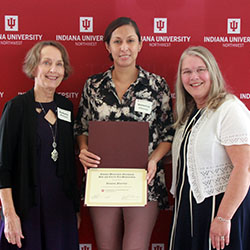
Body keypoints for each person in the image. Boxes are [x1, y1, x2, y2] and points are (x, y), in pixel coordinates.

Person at [74, 17, 174, 250]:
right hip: (102, 180)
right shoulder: (93, 85)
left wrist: (154, 160)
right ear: (108, 46)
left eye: (130, 40)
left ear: (140, 44)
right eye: (117, 41)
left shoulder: (157, 85)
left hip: (144, 181)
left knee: (135, 247)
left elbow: (168, 133)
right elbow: (81, 128)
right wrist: (84, 149)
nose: (124, 47)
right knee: (106, 246)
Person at [168, 46, 250, 250]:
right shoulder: (189, 114)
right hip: (189, 211)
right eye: (186, 72)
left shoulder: (228, 108)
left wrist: (223, 217)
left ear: (212, 72)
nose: (194, 77)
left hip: (219, 211)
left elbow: (244, 167)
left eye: (200, 69)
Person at [0, 41, 80, 250]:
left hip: (61, 210)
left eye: (59, 64)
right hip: (27, 209)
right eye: (46, 62)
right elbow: (3, 167)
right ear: (34, 67)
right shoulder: (16, 108)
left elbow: (70, 164)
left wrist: (74, 210)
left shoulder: (66, 107)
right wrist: (9, 215)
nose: (54, 70)